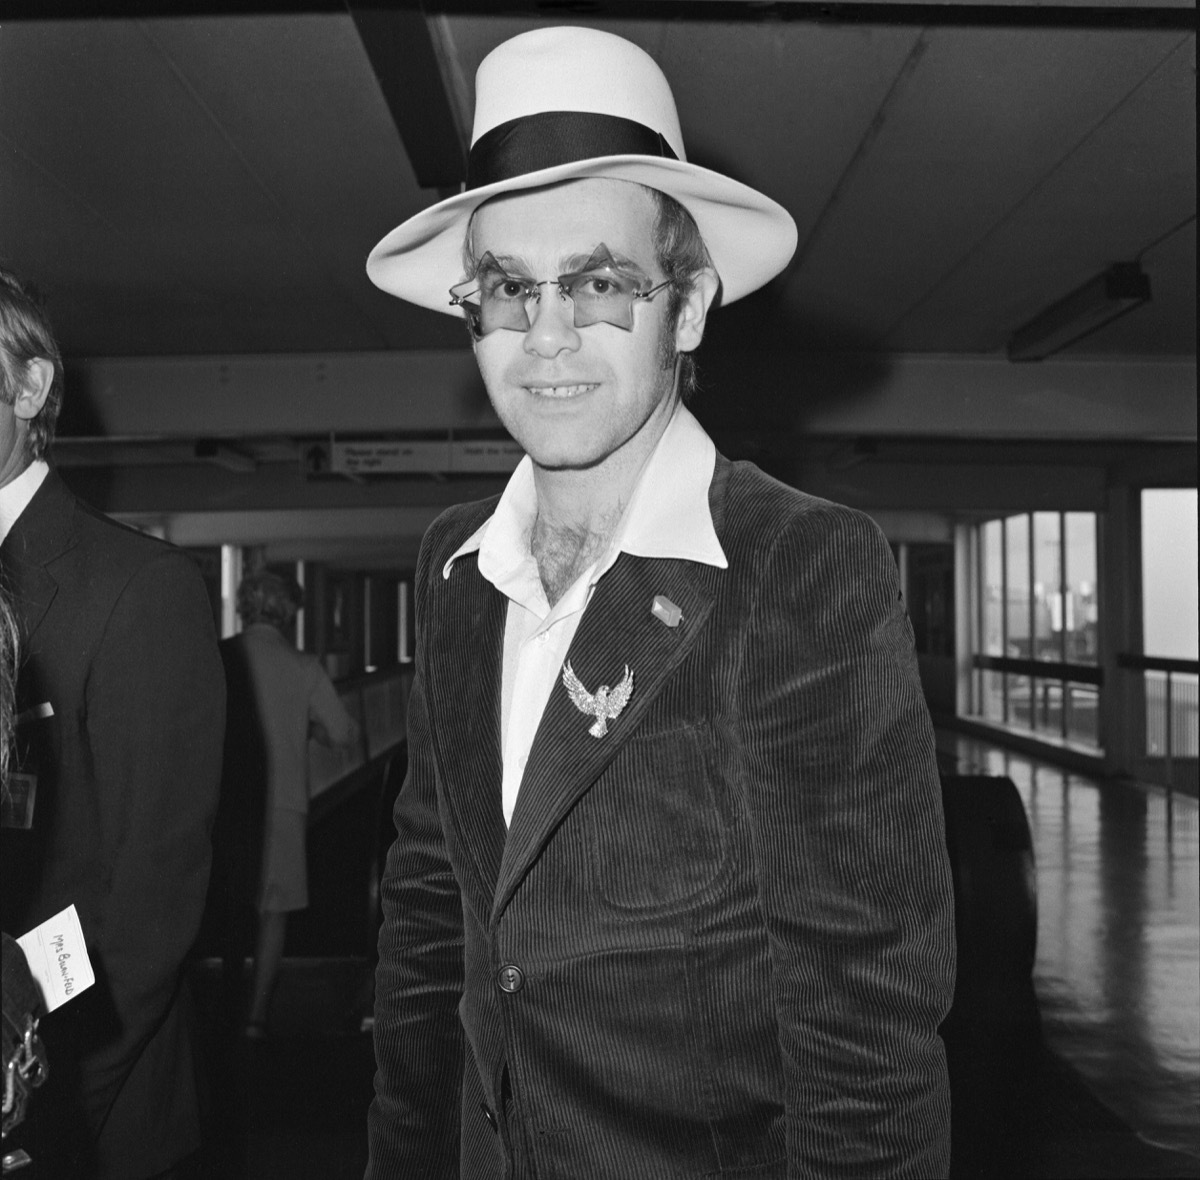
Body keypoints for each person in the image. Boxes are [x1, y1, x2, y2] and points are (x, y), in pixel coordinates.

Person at [363, 27, 955, 1180]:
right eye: (506, 289)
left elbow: (867, 1030)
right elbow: (433, 923)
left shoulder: (802, 568)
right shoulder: (452, 563)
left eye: (599, 283)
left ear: (686, 309)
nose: (547, 338)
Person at [0, 265, 225, 1179]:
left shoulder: (137, 591)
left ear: (28, 385)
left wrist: (33, 1085)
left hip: (76, 1111)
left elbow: (142, 909)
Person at [215, 569, 358, 1038]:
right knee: (273, 912)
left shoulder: (221, 657)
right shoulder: (302, 666)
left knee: (229, 904)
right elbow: (342, 733)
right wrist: (310, 730)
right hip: (283, 803)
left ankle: (222, 1004)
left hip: (227, 802)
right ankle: (255, 1017)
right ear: (289, 612)